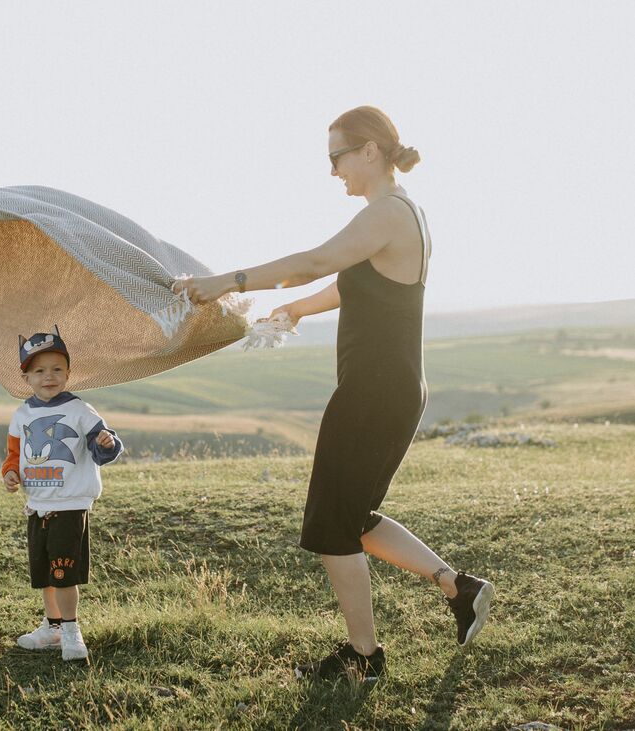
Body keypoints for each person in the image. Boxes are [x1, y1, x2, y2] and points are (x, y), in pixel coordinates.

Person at [174, 106, 493, 681]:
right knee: (355, 516)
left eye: (336, 157)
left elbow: (315, 261)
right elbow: (350, 281)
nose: (332, 171)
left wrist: (229, 279)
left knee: (329, 524)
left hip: (374, 392)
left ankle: (363, 658)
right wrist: (297, 308)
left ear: (369, 150)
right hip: (391, 388)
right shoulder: (398, 216)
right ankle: (457, 586)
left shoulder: (390, 213)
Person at [1, 328, 123, 661]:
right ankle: (52, 627)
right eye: (39, 371)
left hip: (71, 504)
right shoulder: (22, 414)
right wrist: (11, 473)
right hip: (37, 505)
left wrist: (106, 444)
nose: (49, 377)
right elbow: (15, 454)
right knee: (44, 573)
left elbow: (105, 441)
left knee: (63, 572)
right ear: (26, 377)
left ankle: (71, 631)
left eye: (57, 369)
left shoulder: (80, 410)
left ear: (69, 373)